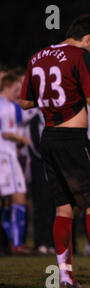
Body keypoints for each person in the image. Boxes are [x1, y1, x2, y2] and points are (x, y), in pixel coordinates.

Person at [19, 14, 90, 288]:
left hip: (49, 137)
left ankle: (66, 278)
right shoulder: (79, 56)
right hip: (73, 138)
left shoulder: (37, 57)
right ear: (88, 39)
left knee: (64, 208)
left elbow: (24, 101)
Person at [0, 73, 31, 255]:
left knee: (6, 200)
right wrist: (23, 139)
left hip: (5, 154)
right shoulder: (8, 107)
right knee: (19, 197)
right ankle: (17, 243)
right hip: (6, 156)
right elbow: (6, 133)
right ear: (6, 87)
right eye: (15, 89)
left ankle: (8, 243)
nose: (18, 93)